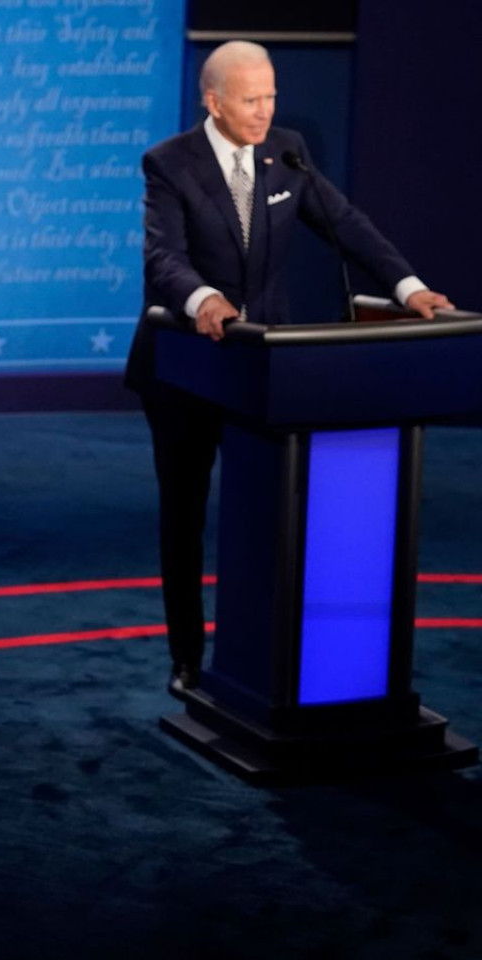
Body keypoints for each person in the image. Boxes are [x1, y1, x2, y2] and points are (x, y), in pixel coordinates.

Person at [123, 41, 453, 698]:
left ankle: (261, 654)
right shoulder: (170, 164)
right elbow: (163, 259)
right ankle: (187, 657)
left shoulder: (287, 152)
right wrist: (203, 299)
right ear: (213, 101)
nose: (265, 110)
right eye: (251, 100)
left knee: (268, 513)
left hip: (267, 371)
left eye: (271, 95)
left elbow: (348, 227)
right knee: (184, 516)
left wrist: (409, 287)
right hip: (186, 369)